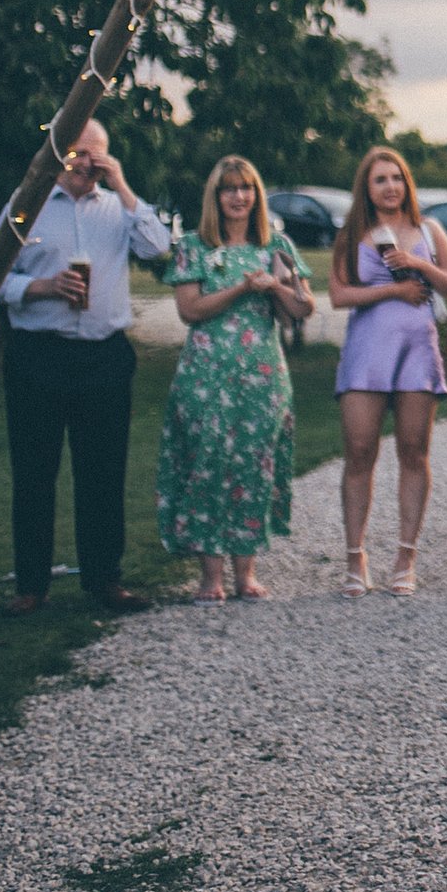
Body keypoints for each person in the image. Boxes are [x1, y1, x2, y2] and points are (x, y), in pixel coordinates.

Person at [0, 117, 171, 617]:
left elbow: (159, 249)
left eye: (97, 156)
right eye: (79, 154)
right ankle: (31, 585)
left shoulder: (119, 208)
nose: (87, 165)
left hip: (103, 356)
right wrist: (41, 287)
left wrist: (123, 185)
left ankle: (104, 579)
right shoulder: (24, 207)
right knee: (34, 472)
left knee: (102, 472)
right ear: (57, 153)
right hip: (38, 355)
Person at [161, 156, 311, 604]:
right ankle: (210, 576)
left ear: (257, 196)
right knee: (207, 462)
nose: (238, 197)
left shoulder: (276, 245)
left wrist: (276, 287)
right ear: (215, 196)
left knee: (254, 465)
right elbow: (190, 310)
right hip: (206, 374)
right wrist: (242, 289)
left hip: (262, 376)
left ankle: (246, 573)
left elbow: (301, 310)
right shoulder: (194, 246)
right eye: (229, 189)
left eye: (246, 188)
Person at [329, 145, 447, 599]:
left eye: (396, 178)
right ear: (366, 188)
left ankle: (406, 557)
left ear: (407, 183)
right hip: (367, 352)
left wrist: (419, 265)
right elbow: (338, 296)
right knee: (360, 450)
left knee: (413, 450)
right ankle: (355, 558)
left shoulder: (428, 229)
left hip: (417, 352)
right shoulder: (353, 234)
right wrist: (392, 292)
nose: (389, 187)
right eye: (379, 179)